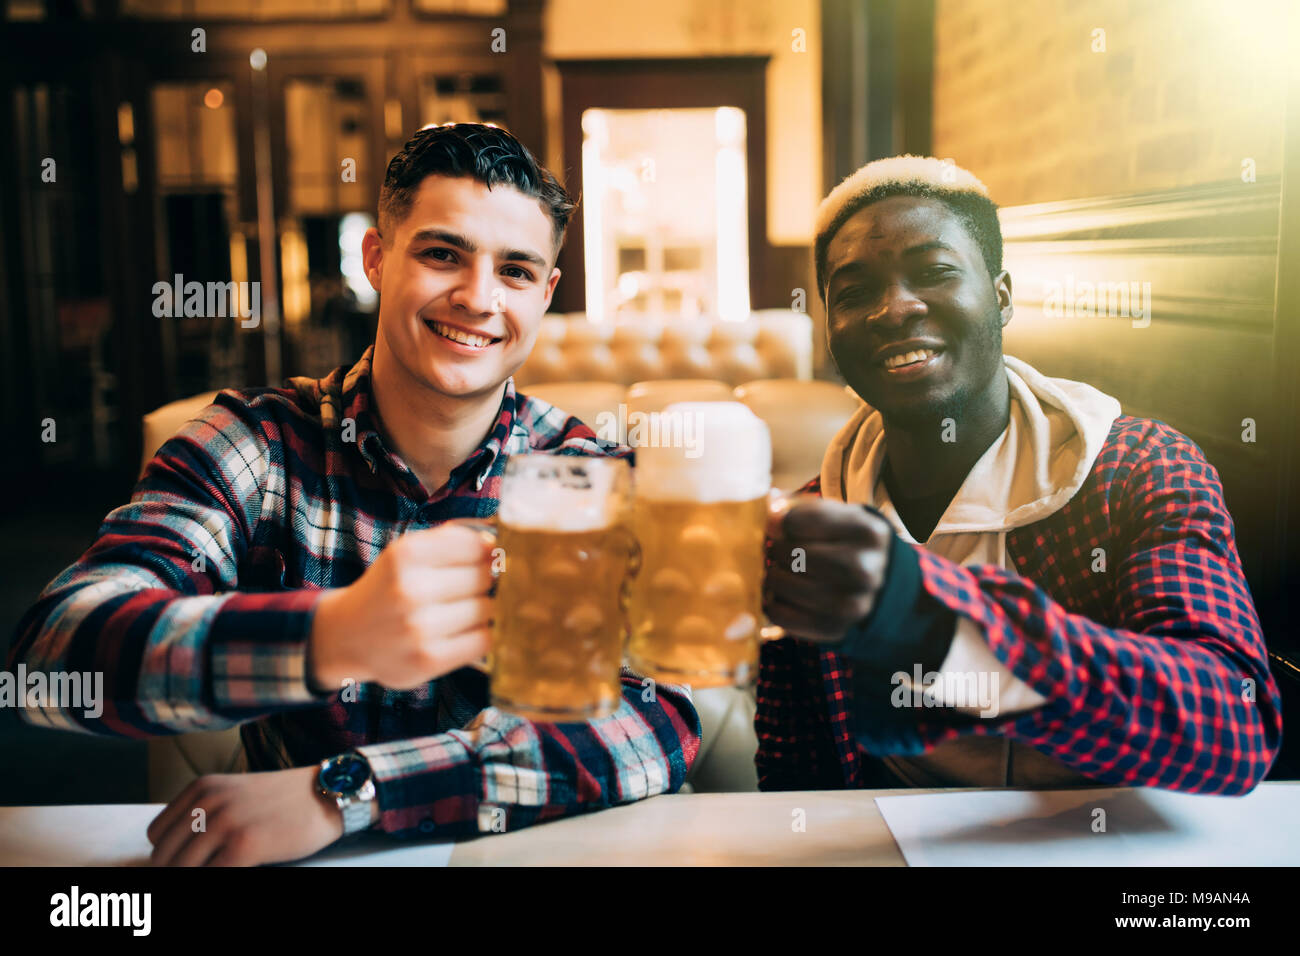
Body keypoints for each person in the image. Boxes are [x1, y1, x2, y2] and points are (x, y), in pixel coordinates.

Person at [8, 123, 699, 865]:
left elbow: (661, 716)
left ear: (546, 293)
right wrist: (331, 635)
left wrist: (354, 792)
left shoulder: (586, 474)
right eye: (443, 254)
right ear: (377, 257)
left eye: (516, 271)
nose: (477, 297)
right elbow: (50, 663)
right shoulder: (260, 443)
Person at [757, 155, 1281, 794]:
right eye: (854, 292)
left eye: (935, 272)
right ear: (830, 332)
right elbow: (794, 784)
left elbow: (1232, 723)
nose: (894, 310)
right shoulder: (813, 529)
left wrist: (940, 626)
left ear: (1001, 298)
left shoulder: (1137, 469)